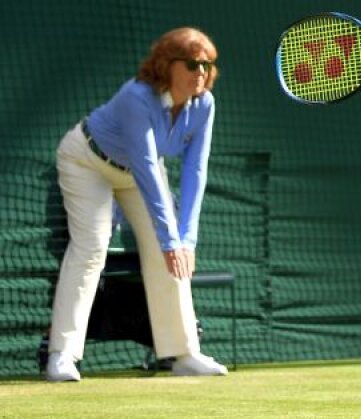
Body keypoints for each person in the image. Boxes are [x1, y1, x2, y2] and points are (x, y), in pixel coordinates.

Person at [45, 28, 228, 382]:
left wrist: (185, 239)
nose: (201, 72)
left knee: (170, 249)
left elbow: (195, 170)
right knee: (91, 247)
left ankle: (184, 353)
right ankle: (62, 355)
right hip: (88, 160)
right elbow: (145, 168)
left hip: (136, 170)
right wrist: (170, 240)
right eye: (191, 64)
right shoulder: (137, 96)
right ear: (166, 65)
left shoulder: (205, 104)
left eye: (208, 65)